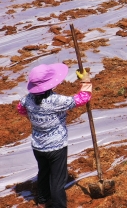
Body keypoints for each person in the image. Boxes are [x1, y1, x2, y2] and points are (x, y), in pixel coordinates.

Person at [17, 64, 93, 208]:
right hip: (56, 146)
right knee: (58, 180)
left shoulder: (27, 99)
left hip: (38, 145)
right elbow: (82, 98)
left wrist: (34, 119)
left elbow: (20, 108)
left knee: (44, 173)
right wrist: (85, 80)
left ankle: (42, 201)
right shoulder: (56, 100)